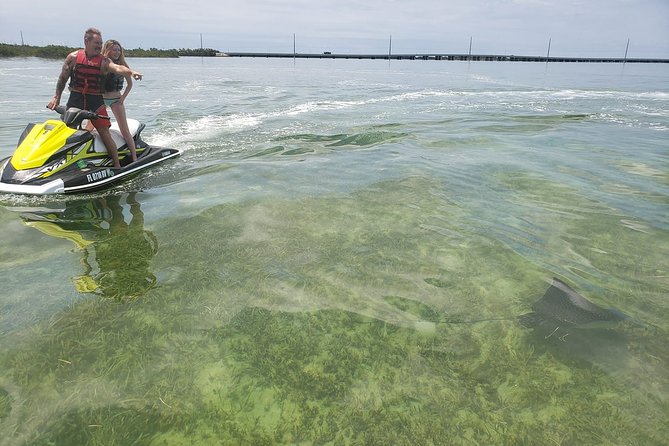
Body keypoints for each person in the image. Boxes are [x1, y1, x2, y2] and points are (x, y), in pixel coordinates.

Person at [46, 28, 143, 168]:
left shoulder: (104, 61)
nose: (99, 46)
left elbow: (117, 68)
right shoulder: (72, 57)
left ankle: (117, 165)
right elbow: (62, 79)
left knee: (104, 132)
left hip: (95, 101)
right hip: (75, 99)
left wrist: (131, 72)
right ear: (86, 41)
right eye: (96, 43)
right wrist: (56, 97)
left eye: (100, 43)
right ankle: (57, 162)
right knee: (65, 130)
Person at [102, 39, 137, 162]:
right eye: (114, 49)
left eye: (119, 50)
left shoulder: (123, 64)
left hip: (116, 100)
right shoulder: (103, 62)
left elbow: (129, 84)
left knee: (124, 130)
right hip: (101, 100)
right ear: (107, 50)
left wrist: (123, 97)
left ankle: (134, 158)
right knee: (89, 127)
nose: (117, 52)